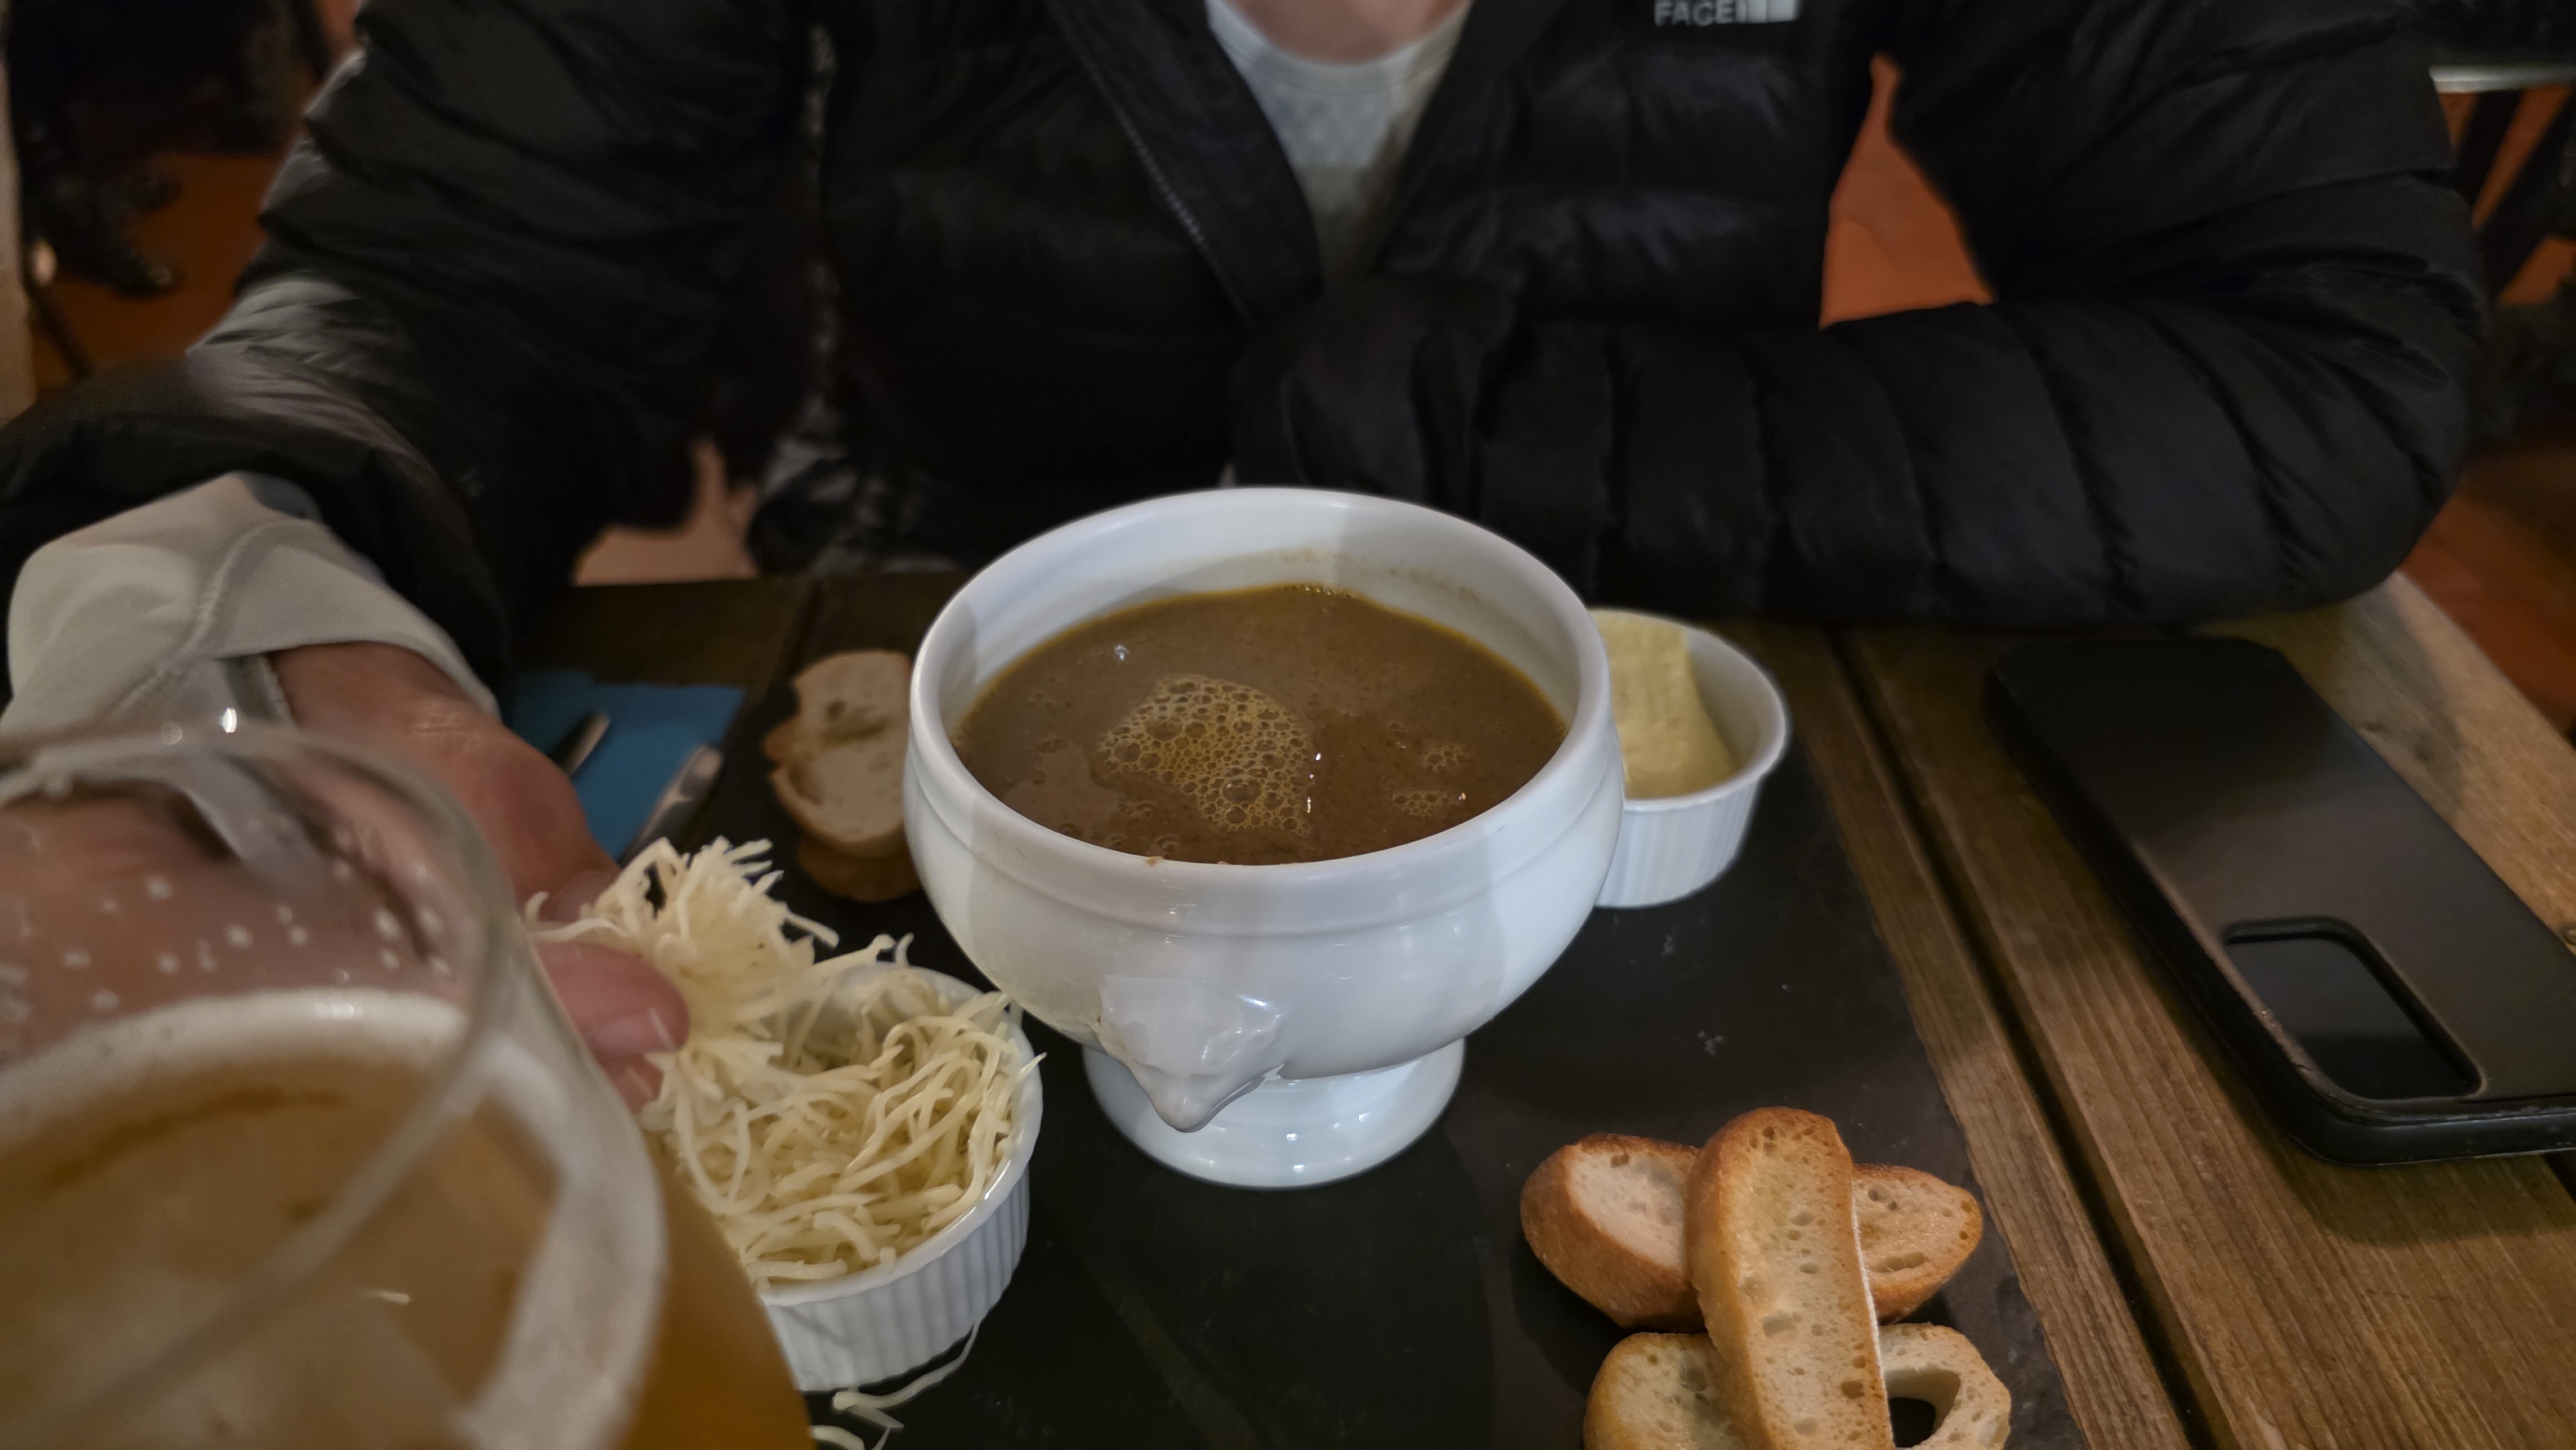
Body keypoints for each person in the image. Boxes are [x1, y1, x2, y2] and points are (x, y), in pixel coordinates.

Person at [0, 0, 2479, 1059]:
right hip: (923, 643)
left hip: (1643, 751)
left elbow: (2328, 352)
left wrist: (1440, 422)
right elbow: (443, 270)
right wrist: (281, 623)